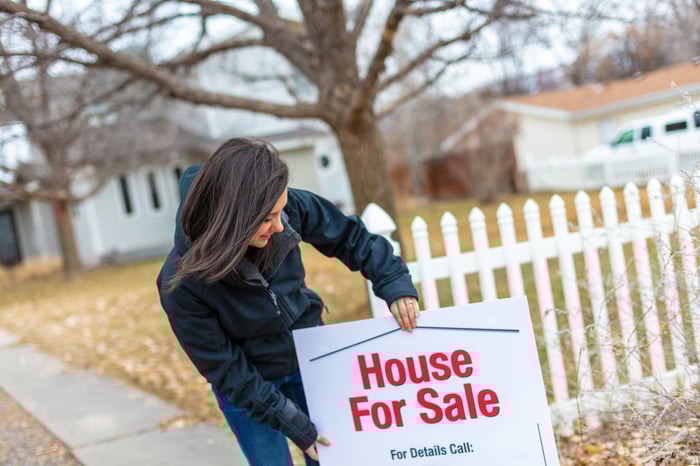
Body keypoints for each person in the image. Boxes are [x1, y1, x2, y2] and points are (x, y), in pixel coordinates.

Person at [156, 137, 419, 465]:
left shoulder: (283, 208)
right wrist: (295, 426)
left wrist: (394, 281)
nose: (280, 226)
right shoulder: (179, 282)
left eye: (281, 212)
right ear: (233, 216)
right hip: (248, 386)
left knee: (336, 459)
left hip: (310, 360)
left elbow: (350, 237)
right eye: (268, 219)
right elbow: (226, 369)